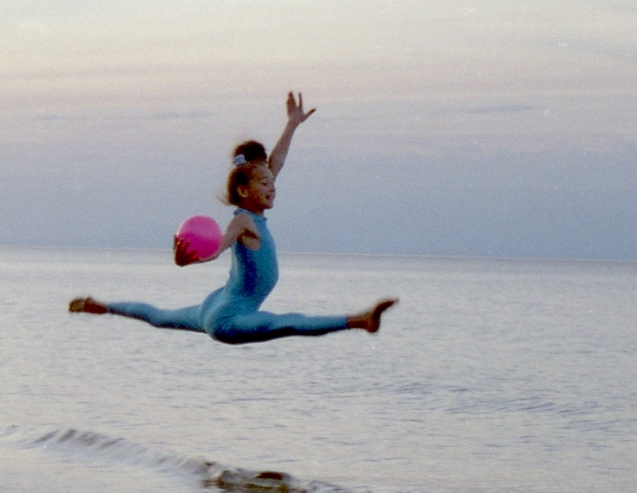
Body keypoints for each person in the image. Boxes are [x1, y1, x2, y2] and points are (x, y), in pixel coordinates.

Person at [68, 93, 395, 344]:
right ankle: (359, 320)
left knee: (159, 316)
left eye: (271, 181)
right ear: (243, 190)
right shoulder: (243, 222)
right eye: (264, 183)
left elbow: (275, 163)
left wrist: (292, 125)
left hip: (215, 303)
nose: (272, 187)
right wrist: (186, 261)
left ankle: (100, 306)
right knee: (287, 322)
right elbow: (216, 249)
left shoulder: (254, 207)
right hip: (229, 319)